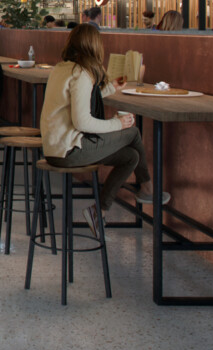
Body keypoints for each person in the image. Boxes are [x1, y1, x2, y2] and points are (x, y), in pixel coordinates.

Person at [41, 24, 167, 235]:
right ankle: (147, 189)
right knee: (133, 133)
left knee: (131, 156)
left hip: (56, 147)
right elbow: (82, 122)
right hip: (69, 150)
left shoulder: (63, 68)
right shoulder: (81, 73)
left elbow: (82, 98)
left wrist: (110, 88)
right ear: (94, 47)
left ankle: (99, 212)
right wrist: (118, 124)